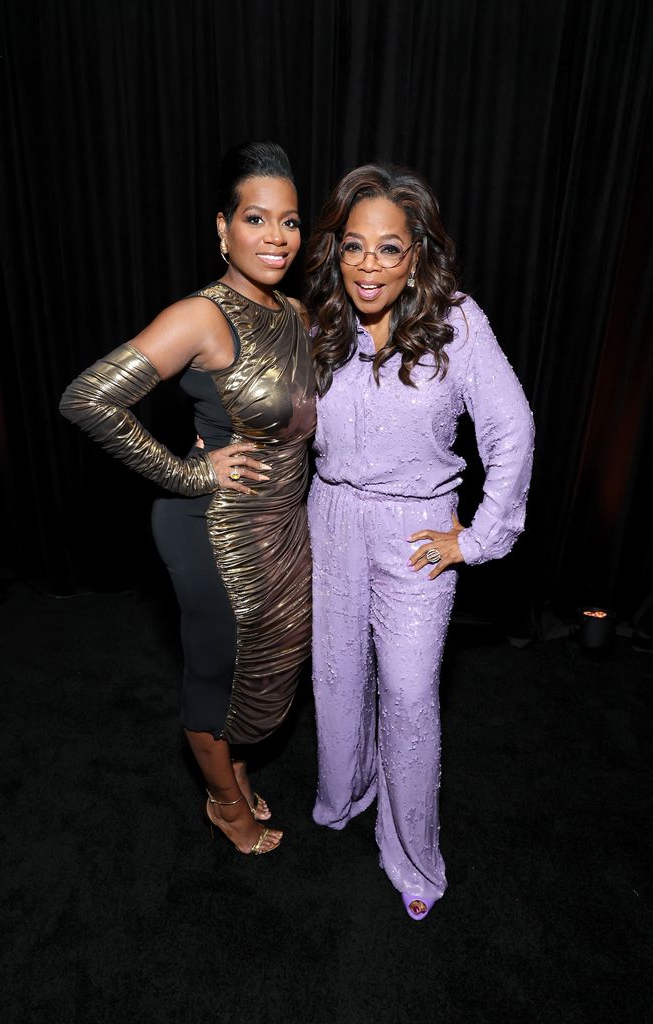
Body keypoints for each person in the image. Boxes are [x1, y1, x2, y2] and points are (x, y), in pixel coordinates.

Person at [60, 141, 315, 856]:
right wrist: (188, 474)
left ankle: (232, 768)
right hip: (214, 530)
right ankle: (224, 807)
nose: (275, 236)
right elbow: (88, 399)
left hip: (279, 525)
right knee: (214, 674)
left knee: (263, 662)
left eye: (289, 222)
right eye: (256, 218)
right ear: (222, 228)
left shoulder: (293, 312)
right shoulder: (202, 316)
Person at [304, 164, 534, 918]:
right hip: (331, 516)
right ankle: (345, 793)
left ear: (416, 255)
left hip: (414, 533)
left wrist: (477, 537)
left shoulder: (454, 320)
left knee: (406, 697)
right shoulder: (321, 320)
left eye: (390, 248)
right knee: (336, 678)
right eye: (355, 246)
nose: (370, 265)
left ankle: (411, 855)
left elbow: (510, 427)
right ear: (336, 249)